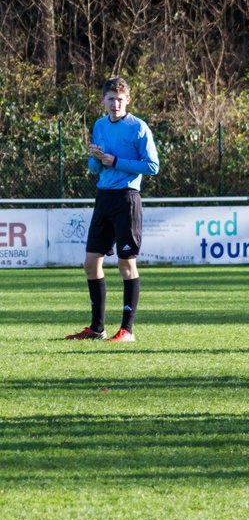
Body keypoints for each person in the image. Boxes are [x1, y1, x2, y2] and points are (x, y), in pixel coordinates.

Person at [65, 76, 160, 343]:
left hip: (127, 199)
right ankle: (97, 329)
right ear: (103, 101)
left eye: (120, 99)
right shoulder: (99, 125)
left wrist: (116, 160)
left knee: (125, 264)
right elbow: (94, 168)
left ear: (127, 100)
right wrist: (95, 159)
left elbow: (152, 166)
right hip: (103, 197)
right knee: (90, 263)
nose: (115, 104)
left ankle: (127, 331)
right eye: (111, 99)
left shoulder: (138, 128)